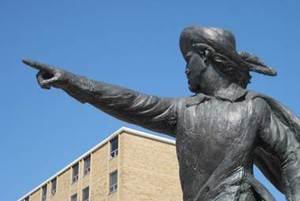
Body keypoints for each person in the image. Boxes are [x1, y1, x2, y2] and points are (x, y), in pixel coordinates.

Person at [23, 26, 300, 201]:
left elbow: (291, 154)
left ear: (205, 55)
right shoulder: (184, 111)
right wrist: (72, 82)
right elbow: (131, 102)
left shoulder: (254, 107)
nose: (185, 69)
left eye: (188, 59)